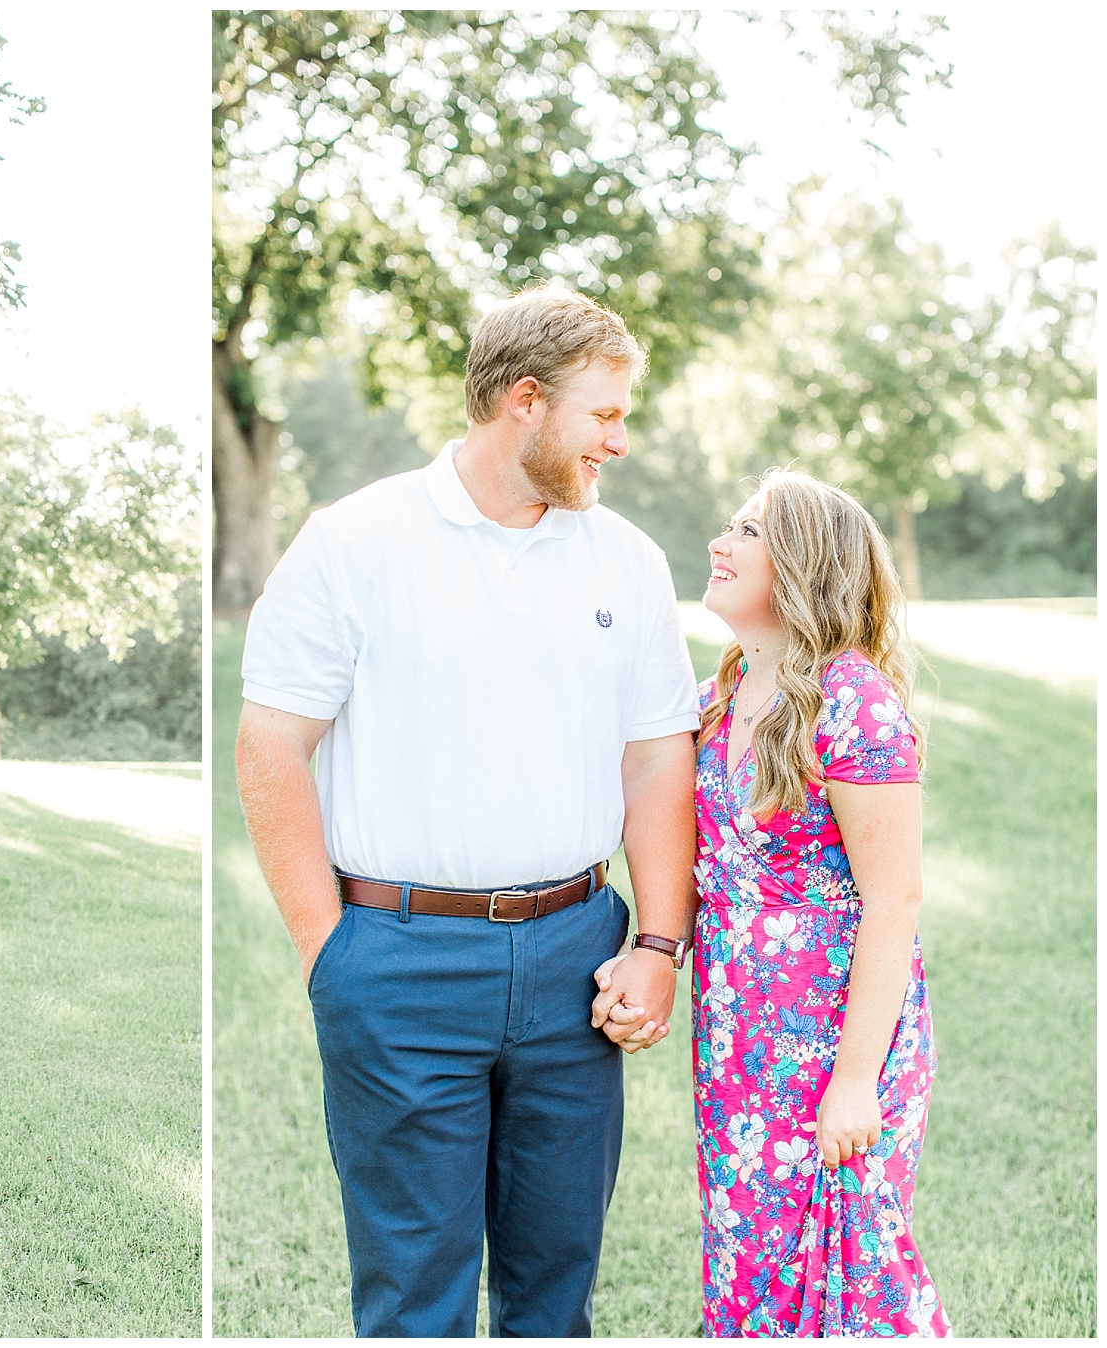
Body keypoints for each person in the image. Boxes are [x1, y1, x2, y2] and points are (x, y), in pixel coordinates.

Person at [235, 283, 700, 1338]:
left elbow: (657, 761)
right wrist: (330, 952)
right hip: (395, 960)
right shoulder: (354, 543)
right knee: (413, 1300)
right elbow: (271, 748)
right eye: (606, 415)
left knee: (555, 1292)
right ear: (525, 401)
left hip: (577, 960)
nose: (619, 443)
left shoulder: (626, 560)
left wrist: (660, 943)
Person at [667, 471, 947, 1335]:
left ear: (804, 566)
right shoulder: (721, 698)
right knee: (752, 1256)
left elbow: (894, 901)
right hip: (739, 1037)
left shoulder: (854, 703)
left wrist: (855, 1080)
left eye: (747, 532)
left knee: (848, 1260)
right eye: (727, 525)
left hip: (831, 1040)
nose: (720, 543)